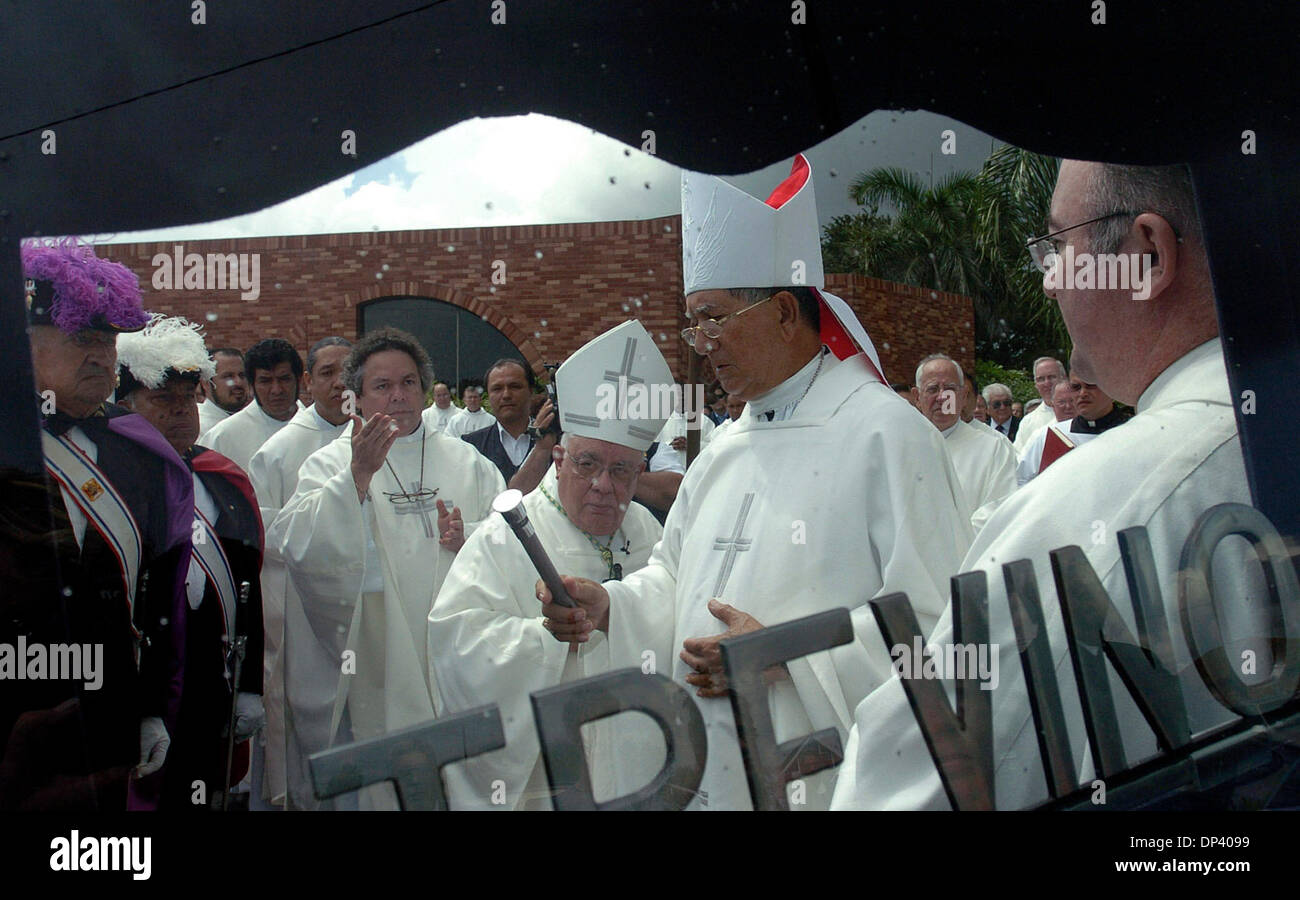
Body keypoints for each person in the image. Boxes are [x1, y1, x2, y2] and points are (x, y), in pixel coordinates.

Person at [537, 155, 971, 810]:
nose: (702, 342)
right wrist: (612, 607)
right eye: (693, 323)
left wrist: (784, 654)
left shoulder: (886, 434)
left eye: (714, 317)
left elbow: (941, 625)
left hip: (820, 774)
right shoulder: (722, 448)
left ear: (784, 313)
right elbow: (675, 581)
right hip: (710, 769)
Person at [832, 160, 1266, 810]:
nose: (1050, 285)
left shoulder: (1096, 513)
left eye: (1059, 248)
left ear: (1148, 255)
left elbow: (912, 788)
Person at [429, 320, 672, 810]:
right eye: (587, 464)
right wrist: (546, 641)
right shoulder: (508, 537)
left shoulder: (647, 532)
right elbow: (456, 646)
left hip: (639, 758)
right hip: (550, 775)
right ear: (558, 457)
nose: (604, 484)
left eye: (621, 469)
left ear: (640, 472)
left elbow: (676, 617)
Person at [271, 326, 504, 809]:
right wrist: (355, 479)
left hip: (453, 656)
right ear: (356, 397)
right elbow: (296, 546)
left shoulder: (469, 463)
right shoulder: (331, 462)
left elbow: (508, 544)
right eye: (382, 386)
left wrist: (471, 535)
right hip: (376, 657)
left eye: (409, 383)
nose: (398, 396)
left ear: (424, 388)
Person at [5, 238, 192, 811]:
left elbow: (162, 592)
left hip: (110, 711)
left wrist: (154, 708)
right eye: (82, 338)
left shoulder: (140, 450)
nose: (102, 355)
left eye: (108, 340)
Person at [115, 314, 265, 811]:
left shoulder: (225, 479)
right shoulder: (111, 486)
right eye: (164, 401)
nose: (181, 412)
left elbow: (249, 586)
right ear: (124, 407)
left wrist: (249, 687)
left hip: (211, 680)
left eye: (188, 400)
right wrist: (142, 709)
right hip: (138, 680)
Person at [246, 335, 351, 809]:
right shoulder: (280, 451)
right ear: (309, 382)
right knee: (311, 739)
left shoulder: (381, 434)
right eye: (327, 372)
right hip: (303, 616)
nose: (340, 383)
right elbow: (264, 539)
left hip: (363, 610)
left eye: (349, 371)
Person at [912, 354, 1016, 522]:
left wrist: (955, 544)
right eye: (932, 389)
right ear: (917, 397)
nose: (942, 397)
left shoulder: (993, 449)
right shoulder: (899, 447)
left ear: (963, 396)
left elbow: (1000, 510)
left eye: (950, 389)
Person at [200, 338, 304, 472]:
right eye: (265, 381)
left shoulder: (317, 424)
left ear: (299, 379)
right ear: (251, 384)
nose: (276, 390)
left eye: (284, 379)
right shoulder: (222, 437)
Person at [1015, 369, 1127, 487]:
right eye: (1076, 387)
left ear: (1111, 389)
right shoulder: (1051, 436)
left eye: (1091, 385)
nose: (1083, 393)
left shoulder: (1134, 433)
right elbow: (1022, 482)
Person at [461, 359, 557, 493]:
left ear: (531, 391)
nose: (506, 395)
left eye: (515, 386)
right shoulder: (470, 447)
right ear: (488, 396)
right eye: (497, 389)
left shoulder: (558, 442)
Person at [1013, 357, 1067, 451]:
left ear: (1064, 378)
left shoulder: (1080, 412)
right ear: (1036, 385)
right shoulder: (1028, 422)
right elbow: (1019, 456)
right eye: (1041, 379)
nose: (1047, 383)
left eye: (1051, 377)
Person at [197, 348, 249, 435]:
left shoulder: (258, 420)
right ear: (206, 383)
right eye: (228, 376)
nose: (238, 382)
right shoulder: (198, 428)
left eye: (242, 375)